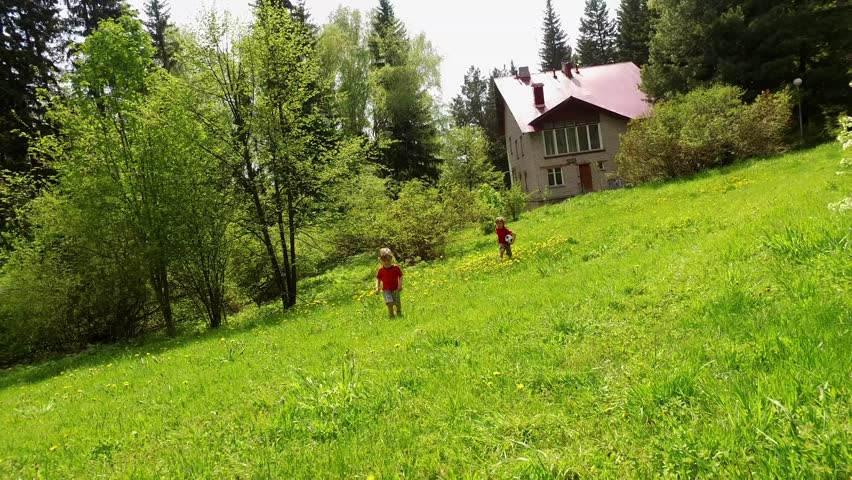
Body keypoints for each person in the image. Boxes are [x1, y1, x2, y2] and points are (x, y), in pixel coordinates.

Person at [375, 247, 404, 317]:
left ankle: (398, 311)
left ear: (391, 258)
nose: (387, 262)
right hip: (386, 290)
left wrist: (400, 285)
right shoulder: (381, 270)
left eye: (388, 260)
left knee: (397, 303)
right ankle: (391, 316)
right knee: (389, 303)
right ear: (381, 260)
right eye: (384, 261)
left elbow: (401, 276)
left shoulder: (396, 268)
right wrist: (377, 287)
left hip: (395, 289)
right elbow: (378, 279)